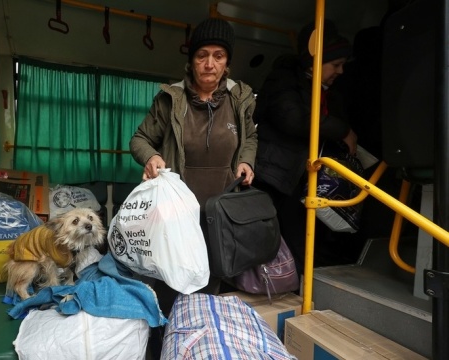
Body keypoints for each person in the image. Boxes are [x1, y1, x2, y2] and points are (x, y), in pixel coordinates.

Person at [129, 18, 258, 316]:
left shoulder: (240, 98)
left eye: (218, 56)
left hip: (220, 210)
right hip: (177, 212)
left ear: (227, 63)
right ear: (191, 61)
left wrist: (246, 160)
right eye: (202, 55)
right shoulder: (170, 99)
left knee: (213, 276)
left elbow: (250, 136)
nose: (209, 64)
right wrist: (151, 156)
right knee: (171, 278)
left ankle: (200, 331)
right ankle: (165, 334)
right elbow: (140, 139)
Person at [252, 19, 359, 274]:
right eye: (336, 65)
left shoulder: (324, 91)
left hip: (302, 177)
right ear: (316, 60)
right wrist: (343, 131)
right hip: (275, 176)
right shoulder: (284, 78)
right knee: (276, 242)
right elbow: (294, 119)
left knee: (301, 243)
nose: (341, 72)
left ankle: (298, 290)